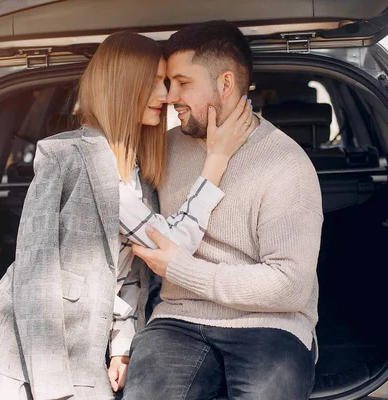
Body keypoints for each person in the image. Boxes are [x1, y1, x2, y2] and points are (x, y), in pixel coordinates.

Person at [0, 31, 254, 400]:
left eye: (167, 83)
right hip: (12, 362)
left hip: (81, 361)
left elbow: (127, 273)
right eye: (155, 83)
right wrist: (216, 161)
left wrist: (122, 347)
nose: (166, 97)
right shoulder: (69, 157)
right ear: (123, 83)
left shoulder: (136, 175)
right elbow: (36, 278)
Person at [123, 21, 323, 400]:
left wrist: (181, 269)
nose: (169, 97)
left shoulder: (286, 164)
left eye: (183, 83)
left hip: (271, 325)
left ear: (226, 84)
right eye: (168, 84)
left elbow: (290, 288)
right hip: (178, 320)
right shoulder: (162, 149)